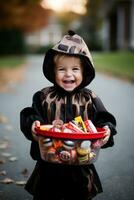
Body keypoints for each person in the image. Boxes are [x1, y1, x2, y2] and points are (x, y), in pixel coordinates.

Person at [20, 30, 117, 200]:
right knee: (46, 194)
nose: (68, 74)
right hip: (49, 163)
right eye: (62, 69)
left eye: (75, 69)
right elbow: (31, 114)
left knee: (79, 194)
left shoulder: (90, 99)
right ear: (53, 71)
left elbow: (104, 118)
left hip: (81, 164)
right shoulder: (43, 97)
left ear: (84, 72)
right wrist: (33, 124)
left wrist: (107, 129)